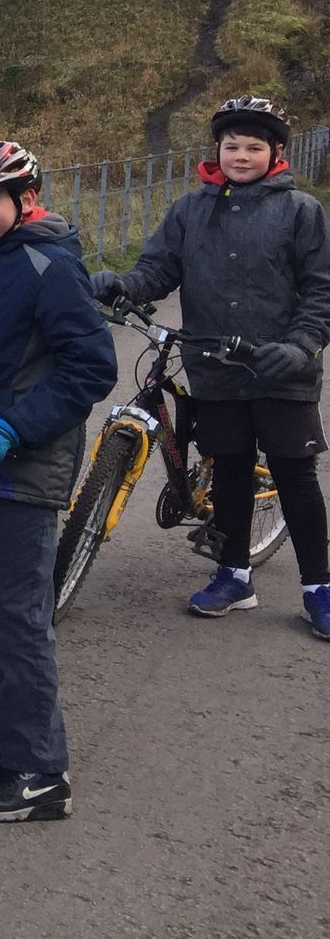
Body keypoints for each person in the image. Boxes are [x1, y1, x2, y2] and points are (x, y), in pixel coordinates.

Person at [89, 97, 330, 636]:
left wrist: (301, 346)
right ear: (216, 151)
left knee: (294, 474)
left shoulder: (301, 211)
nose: (241, 156)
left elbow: (321, 290)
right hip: (213, 364)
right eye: (231, 146)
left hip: (282, 367)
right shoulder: (191, 209)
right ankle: (235, 574)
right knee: (231, 470)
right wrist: (123, 284)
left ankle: (320, 587)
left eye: (253, 147)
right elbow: (158, 269)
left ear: (276, 153)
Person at [0, 139, 115, 822]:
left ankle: (40, 772)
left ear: (23, 199)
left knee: (17, 615)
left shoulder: (49, 264)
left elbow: (91, 367)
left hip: (27, 464)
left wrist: (14, 427)